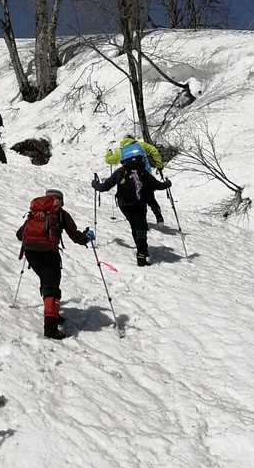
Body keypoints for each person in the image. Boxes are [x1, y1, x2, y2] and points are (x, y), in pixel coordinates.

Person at [15, 190, 95, 339]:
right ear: (60, 201)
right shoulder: (60, 214)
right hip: (49, 254)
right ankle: (51, 328)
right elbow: (75, 235)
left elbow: (20, 235)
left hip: (31, 253)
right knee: (51, 288)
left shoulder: (35, 212)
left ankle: (53, 313)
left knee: (47, 281)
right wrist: (86, 238)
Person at [94, 152, 172, 266]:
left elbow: (104, 187)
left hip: (124, 204)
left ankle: (142, 250)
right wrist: (168, 183)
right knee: (140, 227)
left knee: (135, 226)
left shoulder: (121, 171)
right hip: (139, 204)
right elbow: (158, 185)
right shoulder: (143, 171)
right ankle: (141, 254)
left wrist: (94, 184)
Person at [104, 134, 166, 223]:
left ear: (123, 141)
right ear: (132, 139)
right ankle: (158, 215)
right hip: (145, 174)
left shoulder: (120, 151)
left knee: (137, 198)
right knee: (149, 196)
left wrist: (109, 153)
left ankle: (141, 220)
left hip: (132, 178)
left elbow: (109, 160)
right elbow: (154, 150)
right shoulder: (141, 145)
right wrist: (159, 165)